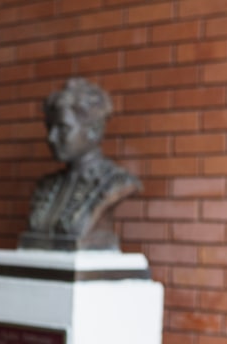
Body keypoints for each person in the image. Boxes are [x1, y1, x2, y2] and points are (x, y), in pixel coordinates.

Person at [23, 77, 141, 249]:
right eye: (50, 128)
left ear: (93, 130)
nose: (51, 137)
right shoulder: (46, 185)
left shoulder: (116, 182)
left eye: (63, 128)